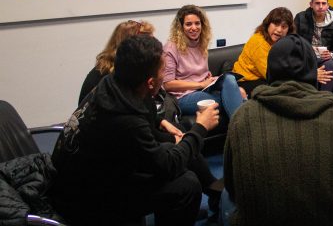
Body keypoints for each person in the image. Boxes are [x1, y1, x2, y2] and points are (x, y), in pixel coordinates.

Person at [51, 35, 221, 226]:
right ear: (150, 82)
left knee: (177, 142)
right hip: (85, 199)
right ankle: (194, 200)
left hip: (92, 173)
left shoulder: (112, 83)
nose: (165, 76)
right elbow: (168, 165)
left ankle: (208, 191)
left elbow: (141, 119)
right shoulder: (125, 120)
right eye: (163, 71)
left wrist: (160, 122)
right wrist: (200, 127)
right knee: (186, 184)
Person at [223, 34, 333, 225]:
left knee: (225, 197)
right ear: (313, 71)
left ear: (270, 70)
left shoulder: (242, 117)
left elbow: (231, 184)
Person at [163, 5, 244, 133]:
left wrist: (207, 77)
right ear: (180, 27)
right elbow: (167, 84)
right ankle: (241, 131)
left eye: (197, 23)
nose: (194, 28)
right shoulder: (171, 48)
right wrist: (200, 83)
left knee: (229, 78)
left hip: (204, 87)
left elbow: (199, 71)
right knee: (233, 97)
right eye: (188, 24)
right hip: (184, 96)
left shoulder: (201, 43)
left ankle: (240, 130)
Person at [233, 7, 333, 97]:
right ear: (268, 24)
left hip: (263, 78)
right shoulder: (258, 42)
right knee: (283, 90)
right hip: (246, 81)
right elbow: (273, 74)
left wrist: (310, 72)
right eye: (276, 24)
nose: (279, 30)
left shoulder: (285, 42)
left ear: (288, 30)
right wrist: (310, 74)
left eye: (284, 27)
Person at [78, 19, 155, 104]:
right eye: (149, 44)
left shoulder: (111, 67)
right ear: (133, 45)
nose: (153, 49)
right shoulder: (113, 76)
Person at [295, 0, 333, 92]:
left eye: (323, 3)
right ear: (311, 4)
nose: (320, 6)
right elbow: (293, 41)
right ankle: (307, 97)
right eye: (317, 3)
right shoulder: (300, 18)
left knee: (332, 65)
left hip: (324, 58)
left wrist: (331, 55)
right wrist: (307, 48)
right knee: (299, 62)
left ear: (328, 5)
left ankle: (324, 97)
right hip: (305, 56)